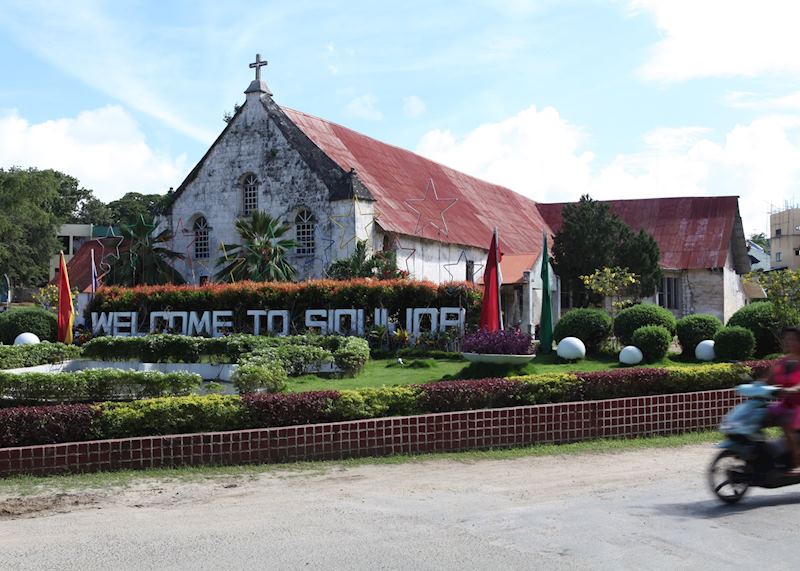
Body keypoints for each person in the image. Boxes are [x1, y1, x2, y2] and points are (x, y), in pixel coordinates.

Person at [768, 327, 800, 474]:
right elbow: (768, 379)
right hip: (785, 404)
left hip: (797, 406)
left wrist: (792, 389)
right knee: (760, 415)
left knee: (786, 422)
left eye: (792, 339)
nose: (788, 342)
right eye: (786, 339)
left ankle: (796, 461)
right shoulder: (783, 361)